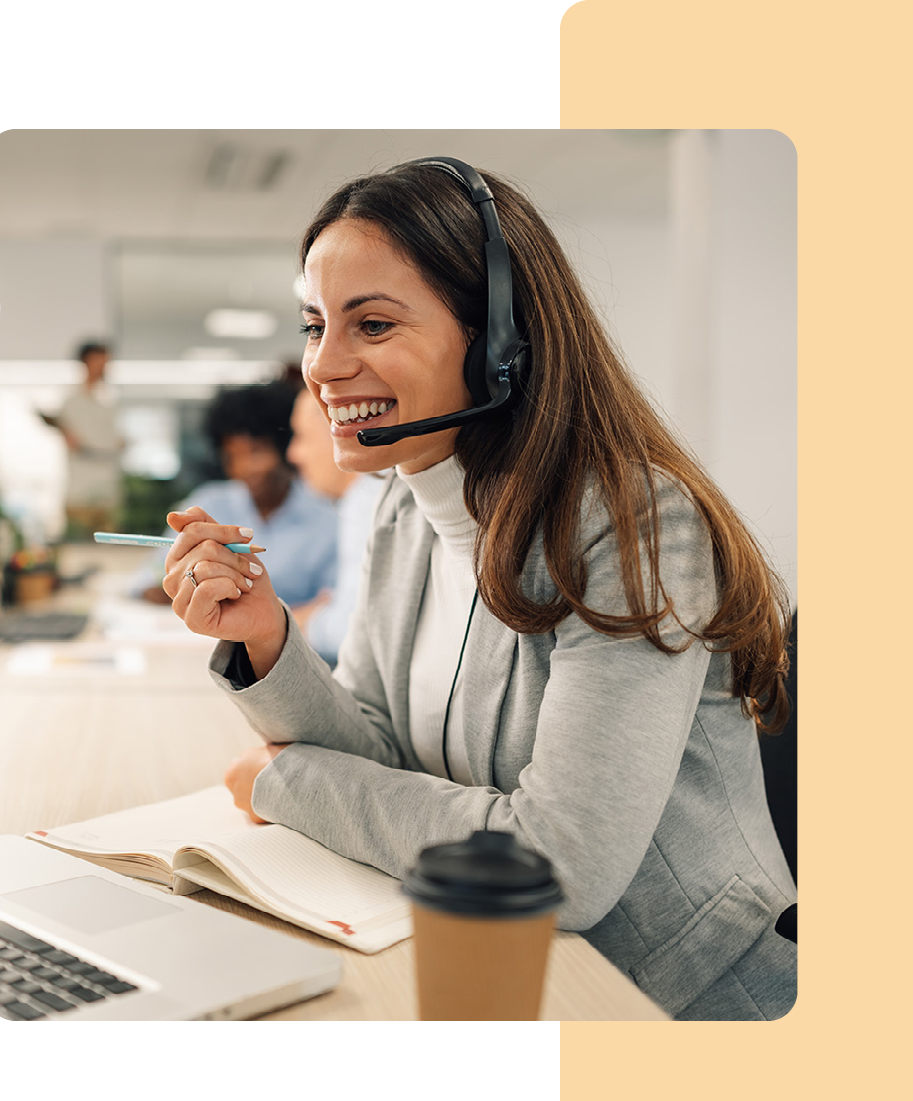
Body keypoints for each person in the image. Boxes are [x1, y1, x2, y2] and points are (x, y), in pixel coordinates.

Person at [159, 159, 797, 1022]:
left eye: (372, 325)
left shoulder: (636, 525)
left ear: (500, 339)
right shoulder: (402, 511)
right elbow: (379, 747)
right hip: (504, 970)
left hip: (675, 1002)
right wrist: (267, 640)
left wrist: (287, 783)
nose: (323, 367)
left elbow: (555, 867)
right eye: (315, 325)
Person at [134, 379, 337, 609]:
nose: (242, 468)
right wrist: (180, 582)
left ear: (285, 448)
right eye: (231, 456)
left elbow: (333, 605)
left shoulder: (326, 519)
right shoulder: (207, 505)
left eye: (255, 453)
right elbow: (148, 580)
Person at [284, 388, 384, 666]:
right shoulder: (364, 497)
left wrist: (297, 623)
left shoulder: (370, 500)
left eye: (301, 436)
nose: (294, 454)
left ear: (340, 432)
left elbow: (354, 633)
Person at [52, 341, 124, 537]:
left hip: (107, 489)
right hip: (80, 491)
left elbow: (117, 440)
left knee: (109, 544)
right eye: (101, 360)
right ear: (87, 361)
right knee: (79, 543)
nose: (105, 365)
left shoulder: (109, 400)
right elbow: (69, 438)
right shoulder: (72, 400)